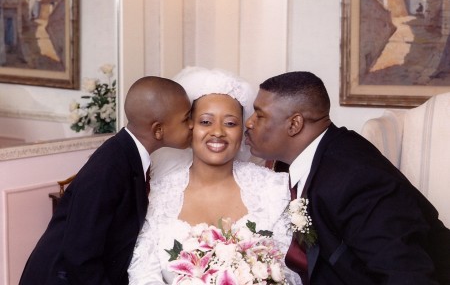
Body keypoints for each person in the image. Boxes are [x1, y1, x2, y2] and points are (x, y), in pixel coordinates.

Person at [244, 71, 450, 284]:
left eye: (259, 115)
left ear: (294, 124)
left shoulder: (357, 179)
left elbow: (405, 273)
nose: (248, 123)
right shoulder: (306, 158)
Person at [128, 66, 301, 284]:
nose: (218, 132)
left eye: (230, 123)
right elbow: (142, 274)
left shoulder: (273, 189)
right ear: (190, 127)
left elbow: (289, 272)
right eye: (206, 122)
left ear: (242, 130)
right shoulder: (158, 195)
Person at [19, 76, 193, 285]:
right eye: (186, 119)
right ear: (158, 130)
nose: (192, 125)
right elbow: (80, 253)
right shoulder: (110, 166)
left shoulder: (127, 155)